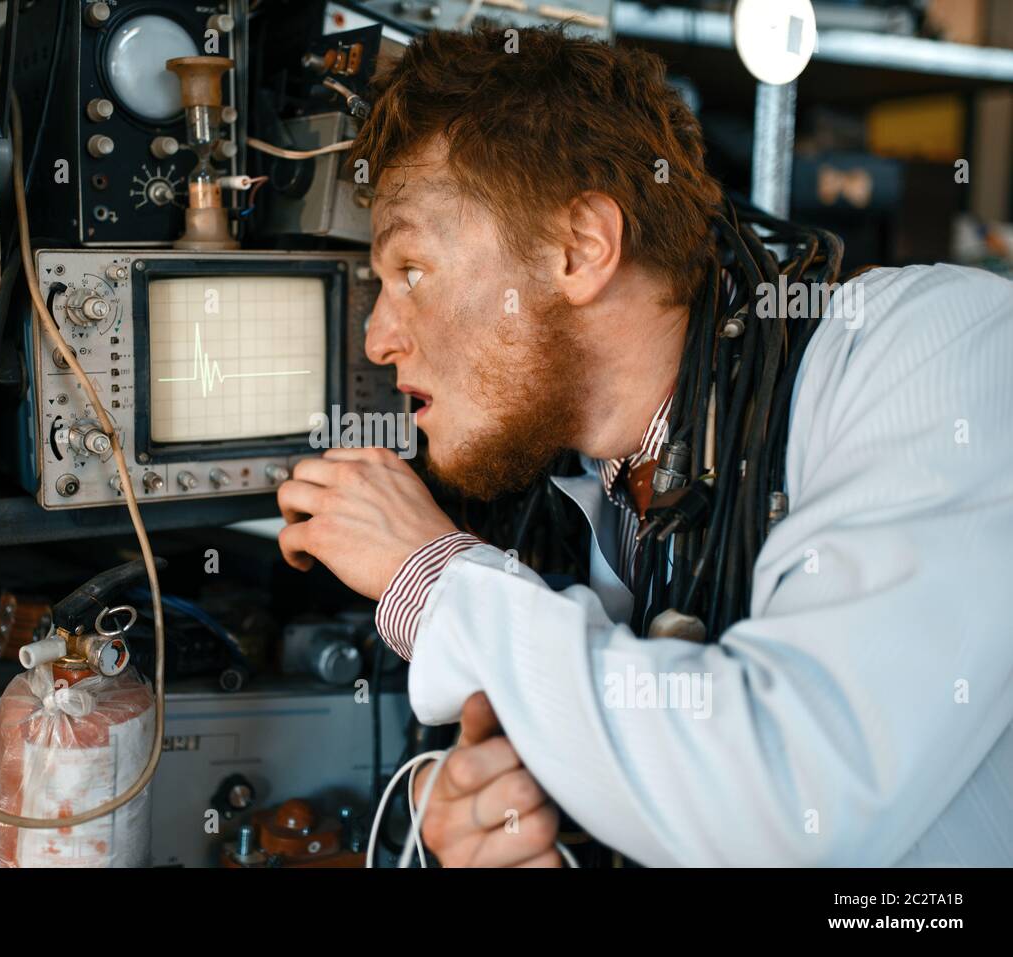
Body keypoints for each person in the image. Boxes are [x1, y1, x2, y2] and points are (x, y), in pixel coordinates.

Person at [276, 25, 1013, 866]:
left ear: (580, 249)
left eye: (409, 269)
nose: (377, 338)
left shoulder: (941, 345)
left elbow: (794, 802)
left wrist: (435, 580)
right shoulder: (572, 494)